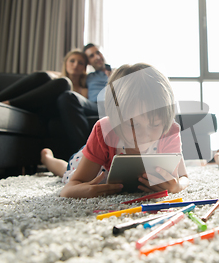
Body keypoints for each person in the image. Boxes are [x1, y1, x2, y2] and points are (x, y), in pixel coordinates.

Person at [42, 63, 189, 198]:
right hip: (94, 162)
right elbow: (69, 188)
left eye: (155, 124)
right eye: (133, 125)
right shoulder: (105, 130)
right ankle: (47, 158)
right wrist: (87, 189)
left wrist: (177, 186)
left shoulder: (170, 130)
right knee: (66, 172)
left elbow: (184, 177)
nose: (144, 135)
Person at [56, 43, 111, 154]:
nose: (97, 57)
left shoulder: (117, 71)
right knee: (68, 96)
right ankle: (82, 154)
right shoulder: (88, 77)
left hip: (114, 105)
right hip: (94, 105)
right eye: (91, 56)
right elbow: (66, 75)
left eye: (98, 52)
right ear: (88, 63)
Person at [0, 50, 88, 113]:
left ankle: (10, 103)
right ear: (65, 63)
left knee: (64, 83)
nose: (75, 65)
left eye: (80, 63)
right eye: (72, 61)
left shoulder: (83, 89)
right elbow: (36, 74)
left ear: (84, 68)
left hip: (50, 110)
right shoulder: (57, 79)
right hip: (34, 103)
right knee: (44, 76)